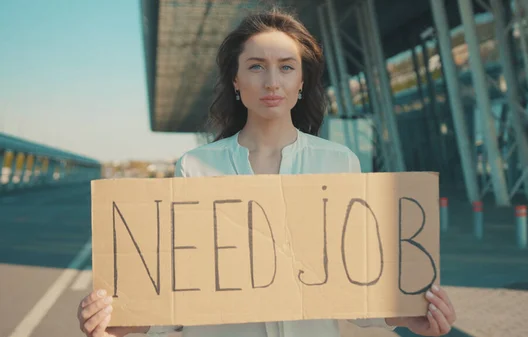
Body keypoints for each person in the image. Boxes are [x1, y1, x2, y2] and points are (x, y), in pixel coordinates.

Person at [77, 7, 456, 337]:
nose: (272, 81)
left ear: (302, 81)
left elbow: (351, 289)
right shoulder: (194, 166)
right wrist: (125, 321)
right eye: (256, 67)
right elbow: (185, 290)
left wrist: (409, 316)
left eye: (286, 67)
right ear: (236, 82)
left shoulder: (339, 163)